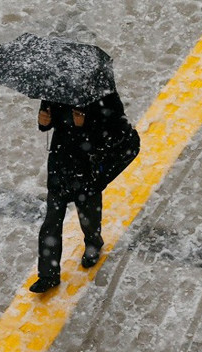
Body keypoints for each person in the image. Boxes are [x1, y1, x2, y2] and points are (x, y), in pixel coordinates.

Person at [29, 92, 129, 294]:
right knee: (51, 221)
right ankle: (48, 275)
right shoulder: (55, 88)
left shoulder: (104, 95)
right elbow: (47, 120)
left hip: (86, 167)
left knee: (88, 215)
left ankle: (93, 243)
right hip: (59, 164)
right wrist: (43, 122)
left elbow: (116, 132)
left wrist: (86, 124)